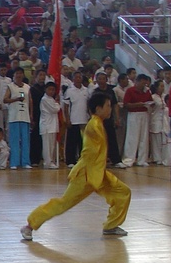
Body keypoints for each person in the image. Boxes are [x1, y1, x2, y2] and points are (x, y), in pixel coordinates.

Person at [21, 92, 131, 241]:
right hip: (85, 175)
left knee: (123, 192)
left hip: (98, 174)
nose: (110, 109)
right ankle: (30, 225)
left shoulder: (98, 123)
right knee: (64, 203)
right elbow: (88, 152)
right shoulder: (93, 126)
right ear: (98, 109)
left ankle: (111, 226)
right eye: (108, 106)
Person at [122, 74, 153, 167]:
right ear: (137, 82)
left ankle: (142, 160)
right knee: (132, 138)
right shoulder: (130, 90)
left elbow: (150, 101)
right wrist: (138, 104)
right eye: (142, 83)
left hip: (144, 114)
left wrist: (149, 104)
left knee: (144, 138)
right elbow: (126, 105)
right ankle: (128, 160)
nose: (144, 85)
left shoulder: (147, 91)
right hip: (134, 114)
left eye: (145, 84)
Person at [3, 69, 32, 169]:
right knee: (14, 140)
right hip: (14, 117)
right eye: (17, 73)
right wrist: (16, 99)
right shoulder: (10, 87)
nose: (19, 75)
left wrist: (31, 114)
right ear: (13, 76)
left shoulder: (27, 87)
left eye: (20, 73)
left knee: (25, 140)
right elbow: (5, 99)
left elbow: (30, 101)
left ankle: (25, 162)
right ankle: (14, 162)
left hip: (25, 117)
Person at [39, 82, 61, 169]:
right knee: (47, 146)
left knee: (52, 145)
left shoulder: (51, 99)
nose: (51, 91)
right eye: (50, 89)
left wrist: (56, 103)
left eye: (53, 90)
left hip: (52, 125)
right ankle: (47, 162)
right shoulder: (44, 99)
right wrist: (57, 104)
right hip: (47, 125)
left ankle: (51, 160)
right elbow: (54, 109)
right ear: (45, 89)